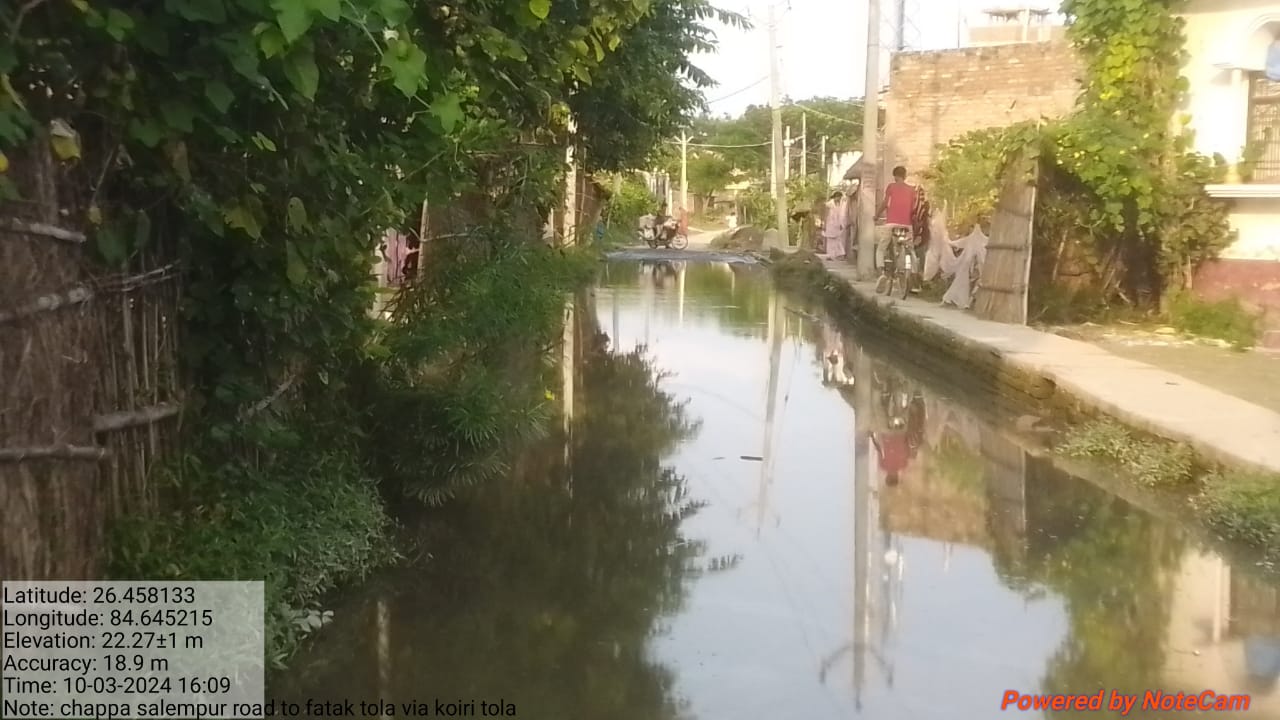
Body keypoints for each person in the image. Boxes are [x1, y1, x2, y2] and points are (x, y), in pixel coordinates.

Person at [875, 166, 918, 278]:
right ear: (905, 176)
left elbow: (885, 204)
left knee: (881, 249)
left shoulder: (891, 187)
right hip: (907, 224)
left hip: (892, 224)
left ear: (894, 176)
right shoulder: (912, 190)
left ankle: (881, 273)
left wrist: (876, 216)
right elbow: (913, 208)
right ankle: (914, 274)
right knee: (910, 249)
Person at [821, 191, 847, 261]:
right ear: (835, 197)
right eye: (838, 197)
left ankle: (840, 254)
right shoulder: (829, 204)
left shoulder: (840, 205)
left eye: (840, 198)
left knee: (838, 239)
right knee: (830, 240)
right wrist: (824, 225)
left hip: (837, 224)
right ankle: (830, 255)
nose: (839, 199)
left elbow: (841, 215)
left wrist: (841, 224)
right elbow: (825, 215)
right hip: (830, 224)